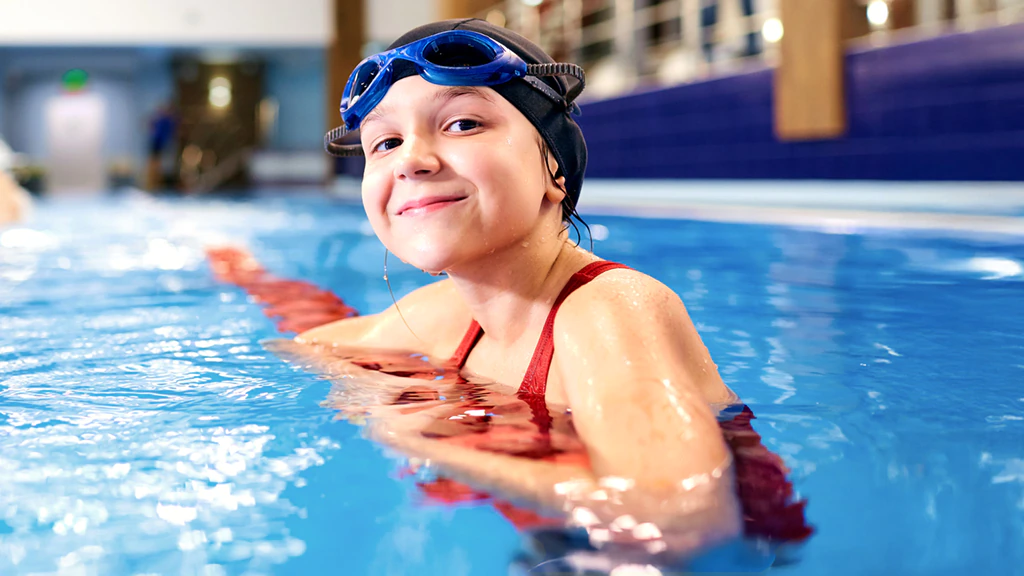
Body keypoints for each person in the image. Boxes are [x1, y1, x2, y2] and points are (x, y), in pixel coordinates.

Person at [285, 18, 808, 561]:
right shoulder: (450, 314)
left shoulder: (608, 310)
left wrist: (413, 434)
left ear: (553, 167)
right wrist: (380, 394)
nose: (412, 160)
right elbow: (309, 347)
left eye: (462, 124)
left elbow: (679, 516)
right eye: (385, 142)